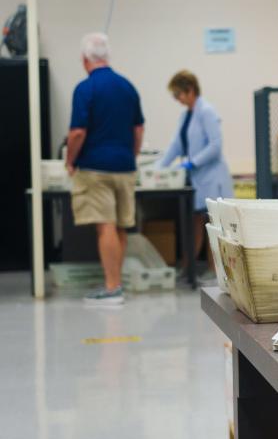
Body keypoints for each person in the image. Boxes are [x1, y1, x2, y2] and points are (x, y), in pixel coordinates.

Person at [66, 33, 144, 305]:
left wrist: (70, 161)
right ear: (107, 57)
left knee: (105, 226)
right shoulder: (127, 87)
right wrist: (130, 156)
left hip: (95, 168)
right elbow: (138, 129)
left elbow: (77, 133)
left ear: (85, 59)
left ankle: (112, 288)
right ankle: (117, 283)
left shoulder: (85, 89)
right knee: (121, 226)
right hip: (125, 166)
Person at [158, 70, 234, 260]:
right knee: (196, 222)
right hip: (198, 179)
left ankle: (216, 271)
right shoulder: (186, 117)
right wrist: (158, 169)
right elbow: (176, 146)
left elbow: (215, 146)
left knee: (215, 226)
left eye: (178, 94)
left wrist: (192, 163)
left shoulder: (207, 112)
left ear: (190, 90)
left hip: (213, 178)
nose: (177, 99)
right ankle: (189, 269)